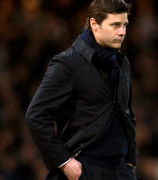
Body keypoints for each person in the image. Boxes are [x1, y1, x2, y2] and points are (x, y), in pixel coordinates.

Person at [25, 0, 137, 179]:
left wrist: (131, 158)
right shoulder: (67, 63)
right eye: (115, 25)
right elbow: (36, 115)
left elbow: (126, 112)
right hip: (84, 169)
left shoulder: (123, 63)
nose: (122, 32)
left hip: (121, 170)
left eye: (124, 25)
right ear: (94, 24)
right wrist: (63, 161)